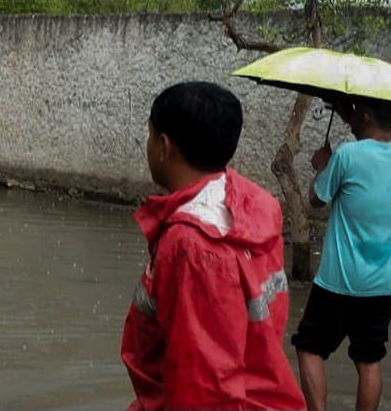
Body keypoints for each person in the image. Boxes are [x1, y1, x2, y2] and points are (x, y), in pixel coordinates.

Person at [121, 81, 306, 410]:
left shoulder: (192, 247)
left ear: (164, 146)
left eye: (149, 135)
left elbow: (205, 388)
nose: (147, 145)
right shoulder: (254, 205)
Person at [291, 96, 391, 411]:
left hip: (338, 282)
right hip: (382, 284)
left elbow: (315, 199)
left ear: (365, 114)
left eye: (355, 110)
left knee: (309, 348)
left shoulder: (348, 156)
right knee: (369, 360)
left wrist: (323, 166)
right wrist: (346, 113)